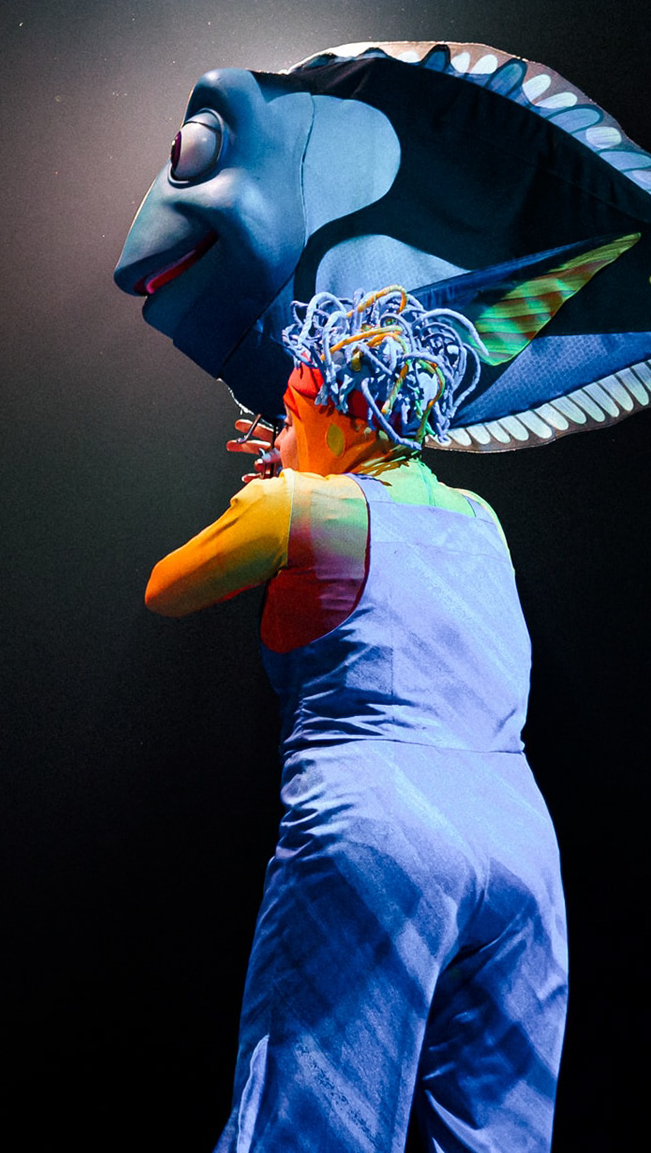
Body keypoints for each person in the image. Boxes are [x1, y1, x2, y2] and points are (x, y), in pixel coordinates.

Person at [146, 288, 568, 1153]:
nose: (279, 433)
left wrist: (276, 496)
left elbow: (166, 588)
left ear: (335, 411)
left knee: (311, 1128)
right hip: (522, 846)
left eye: (290, 412)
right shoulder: (483, 521)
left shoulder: (294, 505)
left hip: (381, 825)